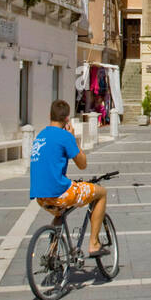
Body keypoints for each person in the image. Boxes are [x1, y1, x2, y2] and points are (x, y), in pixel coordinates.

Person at [31, 100, 108, 257]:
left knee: (60, 213)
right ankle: (94, 244)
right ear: (67, 119)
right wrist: (74, 139)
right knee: (101, 193)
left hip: (40, 196)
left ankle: (52, 253)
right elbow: (82, 164)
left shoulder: (41, 135)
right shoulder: (65, 137)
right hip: (60, 193)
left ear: (49, 116)